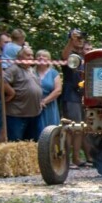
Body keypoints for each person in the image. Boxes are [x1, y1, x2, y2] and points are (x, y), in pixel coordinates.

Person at [0, 46, 43, 142]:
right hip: (17, 115)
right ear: (20, 57)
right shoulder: (14, 68)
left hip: (34, 114)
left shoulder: (31, 70)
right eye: (28, 55)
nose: (31, 57)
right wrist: (11, 92)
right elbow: (0, 80)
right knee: (15, 144)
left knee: (32, 144)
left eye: (32, 55)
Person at [61, 28, 88, 167]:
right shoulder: (70, 54)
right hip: (71, 95)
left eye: (81, 38)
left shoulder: (84, 57)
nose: (80, 40)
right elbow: (64, 57)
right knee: (72, 127)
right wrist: (71, 40)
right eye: (77, 38)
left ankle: (76, 157)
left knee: (81, 128)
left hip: (82, 95)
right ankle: (65, 158)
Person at [36, 49, 61, 129]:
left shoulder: (54, 73)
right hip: (33, 105)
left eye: (44, 56)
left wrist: (44, 101)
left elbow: (58, 90)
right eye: (38, 56)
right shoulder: (31, 71)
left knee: (50, 130)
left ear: (49, 60)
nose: (41, 57)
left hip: (49, 105)